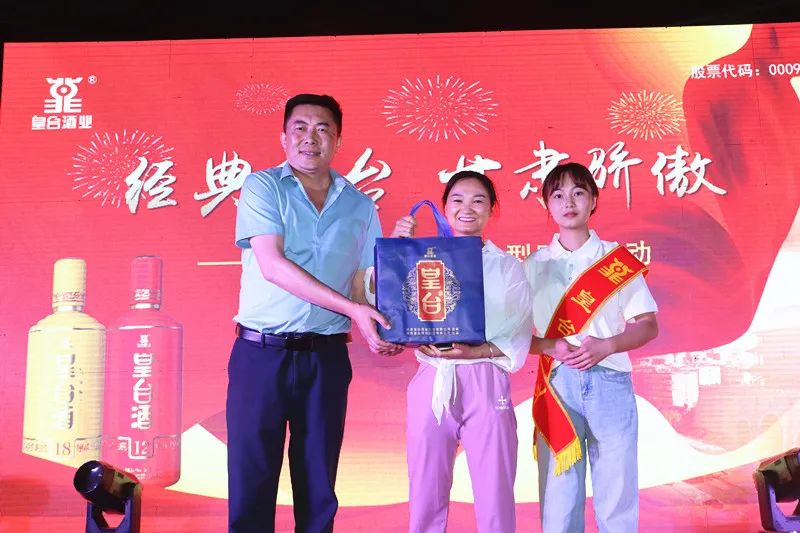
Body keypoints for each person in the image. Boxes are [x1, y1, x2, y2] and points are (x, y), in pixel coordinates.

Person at [227, 93, 402, 533]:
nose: (311, 138)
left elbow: (361, 282)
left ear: (337, 140)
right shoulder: (262, 187)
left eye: (323, 129)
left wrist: (382, 323)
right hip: (260, 354)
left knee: (319, 486)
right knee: (252, 482)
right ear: (284, 137)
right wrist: (353, 309)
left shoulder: (360, 206)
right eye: (300, 128)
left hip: (326, 358)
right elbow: (272, 265)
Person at [391, 170, 533, 533]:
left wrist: (474, 352)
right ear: (444, 208)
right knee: (425, 488)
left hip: (486, 377)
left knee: (495, 490)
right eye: (457, 200)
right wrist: (396, 251)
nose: (467, 208)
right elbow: (390, 307)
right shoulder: (420, 257)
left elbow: (518, 330)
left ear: (492, 210)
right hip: (433, 377)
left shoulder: (506, 266)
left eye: (478, 200)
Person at [524, 162, 659, 533]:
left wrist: (608, 345)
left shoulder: (615, 260)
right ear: (547, 205)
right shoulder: (532, 266)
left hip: (610, 382)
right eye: (558, 195)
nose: (568, 203)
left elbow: (649, 325)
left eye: (578, 193)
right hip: (556, 386)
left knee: (617, 496)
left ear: (594, 200)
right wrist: (549, 345)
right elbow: (512, 336)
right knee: (559, 500)